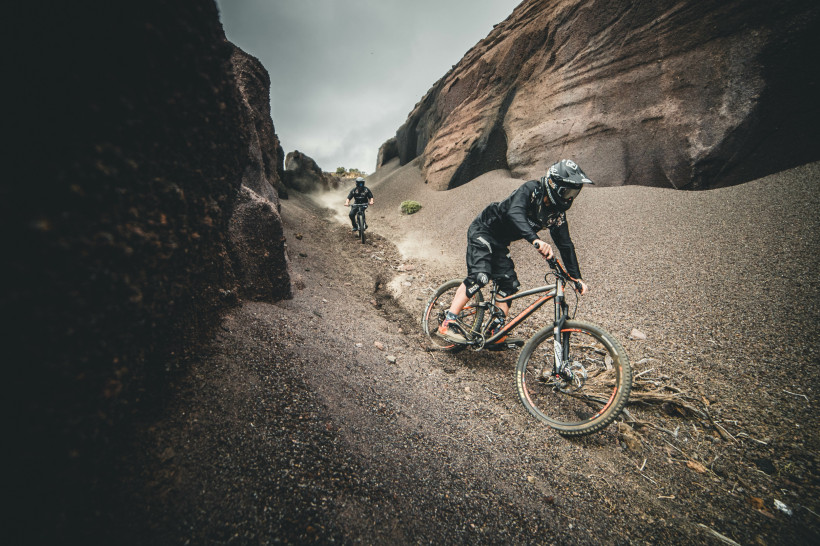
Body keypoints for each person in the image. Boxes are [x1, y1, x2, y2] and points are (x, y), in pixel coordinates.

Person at [439, 159, 592, 344]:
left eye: (574, 193)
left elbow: (566, 245)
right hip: (484, 230)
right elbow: (514, 212)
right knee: (480, 276)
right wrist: (535, 240)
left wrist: (576, 278)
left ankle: (495, 332)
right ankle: (449, 320)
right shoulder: (532, 189)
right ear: (554, 185)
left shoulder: (556, 215)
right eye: (567, 192)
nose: (570, 198)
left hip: (500, 242)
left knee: (509, 285)